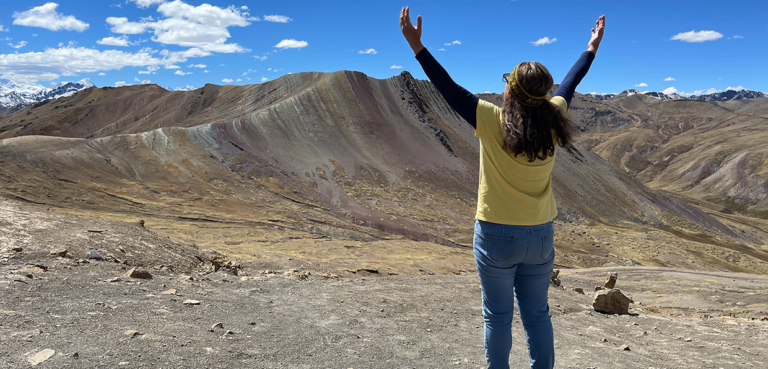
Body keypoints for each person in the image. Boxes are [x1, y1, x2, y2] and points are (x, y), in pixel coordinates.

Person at [399, 6, 605, 369]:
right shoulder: (555, 118)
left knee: (497, 316)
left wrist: (418, 48)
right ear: (542, 95)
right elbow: (571, 82)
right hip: (540, 236)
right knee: (537, 315)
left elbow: (448, 89)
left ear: (511, 90)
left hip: (495, 234)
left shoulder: (492, 120)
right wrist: (591, 48)